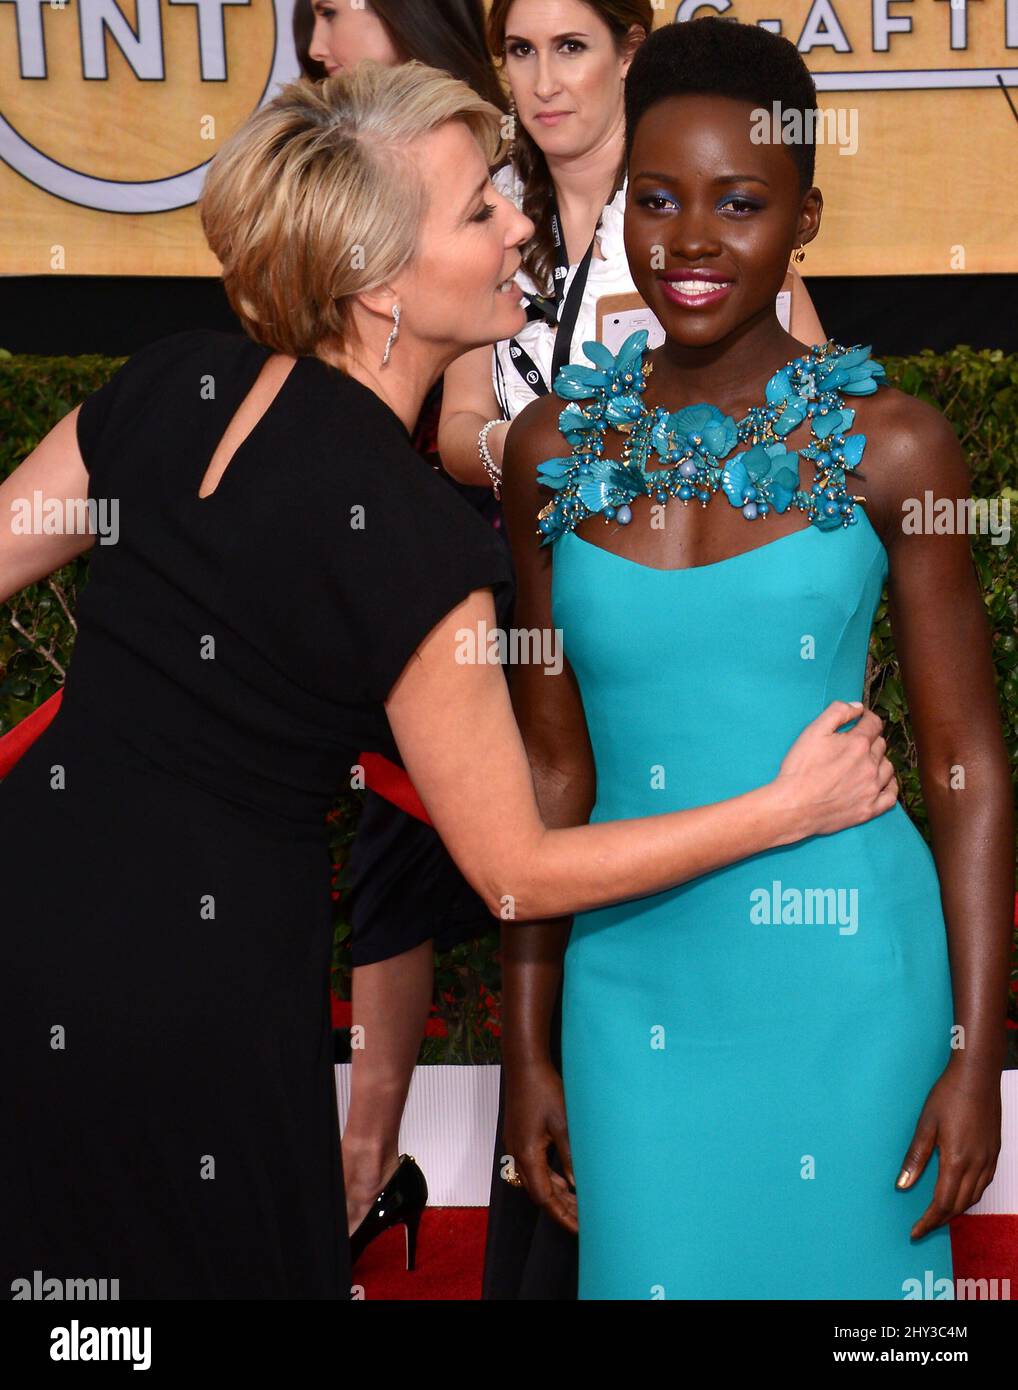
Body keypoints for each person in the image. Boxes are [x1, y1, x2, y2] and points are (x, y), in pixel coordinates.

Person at [0, 61, 896, 1300]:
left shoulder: (170, 379)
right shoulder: (409, 535)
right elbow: (515, 867)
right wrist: (784, 808)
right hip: (200, 989)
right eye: (480, 210)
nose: (522, 224)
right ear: (379, 280)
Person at [497, 17, 1013, 1300]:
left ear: (804, 219)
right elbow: (550, 774)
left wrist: (973, 1053)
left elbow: (964, 765)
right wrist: (528, 1046)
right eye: (655, 199)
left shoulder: (893, 446)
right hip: (630, 984)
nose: (689, 240)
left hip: (850, 978)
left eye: (739, 202)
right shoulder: (548, 450)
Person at [302, 0, 514, 1261]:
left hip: (486, 558)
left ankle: (375, 1165)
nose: (316, 42)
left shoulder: (505, 188)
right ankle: (363, 1165)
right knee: (391, 841)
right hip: (408, 540)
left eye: (335, 10)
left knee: (484, 849)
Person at [438, 0, 827, 491]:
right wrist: (520, 446)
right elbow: (459, 423)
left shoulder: (695, 209)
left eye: (570, 47)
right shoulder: (487, 205)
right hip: (530, 522)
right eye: (522, 50)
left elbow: (819, 409)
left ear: (629, 53)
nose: (543, 84)